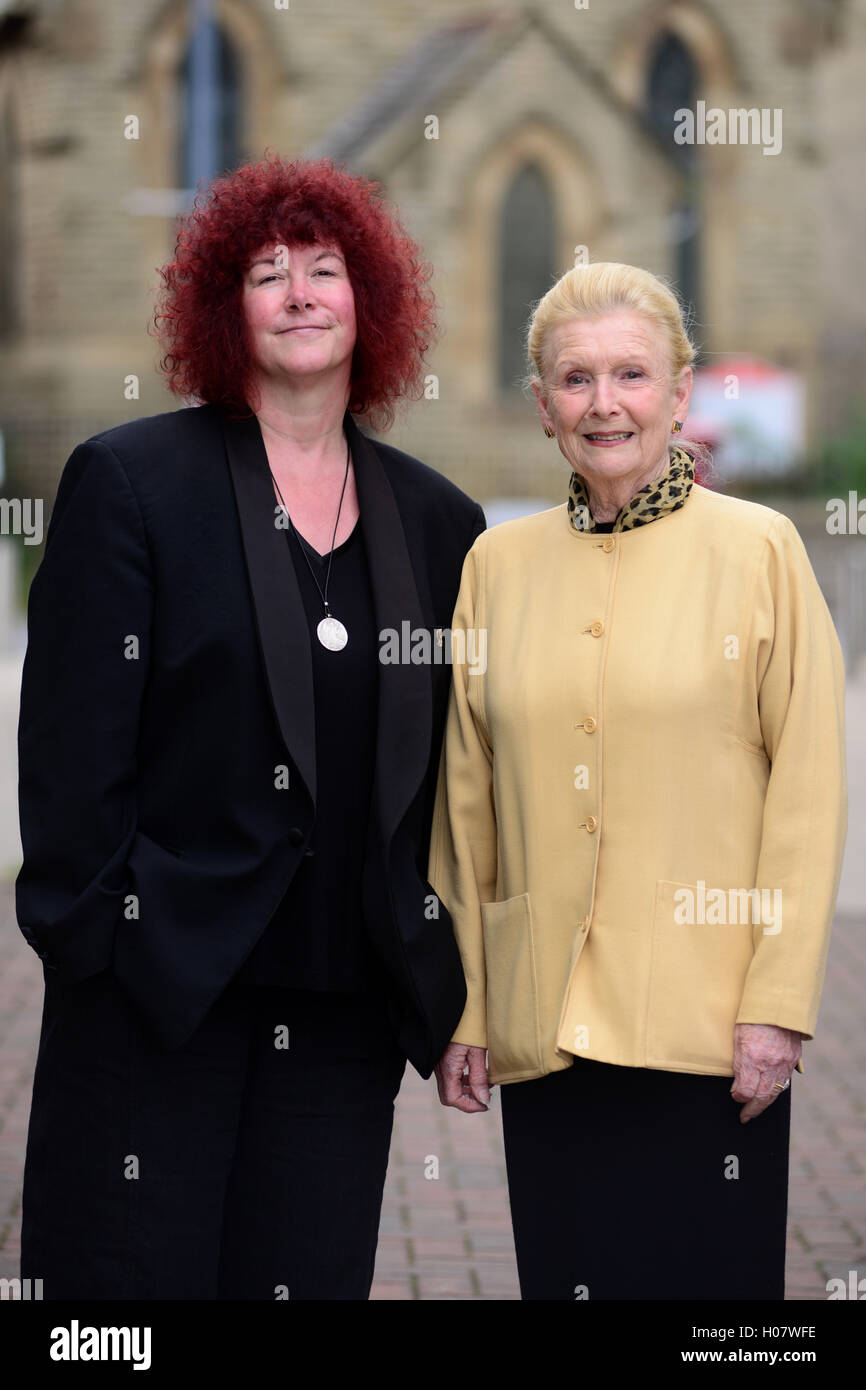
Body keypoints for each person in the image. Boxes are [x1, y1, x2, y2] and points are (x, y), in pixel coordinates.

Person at [17, 153, 484, 1300]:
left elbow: (451, 773)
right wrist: (100, 948)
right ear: (223, 308)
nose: (299, 293)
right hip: (162, 992)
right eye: (266, 273)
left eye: (325, 270)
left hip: (340, 1006)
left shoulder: (437, 520)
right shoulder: (130, 481)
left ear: (367, 302)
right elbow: (70, 756)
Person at [428, 260, 847, 1301]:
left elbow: (805, 788)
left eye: (628, 374)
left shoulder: (759, 551)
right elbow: (464, 801)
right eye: (574, 379)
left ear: (678, 391)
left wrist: (776, 1001)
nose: (601, 403)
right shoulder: (496, 566)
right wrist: (469, 1002)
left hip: (709, 1029)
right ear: (540, 406)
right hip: (545, 1024)